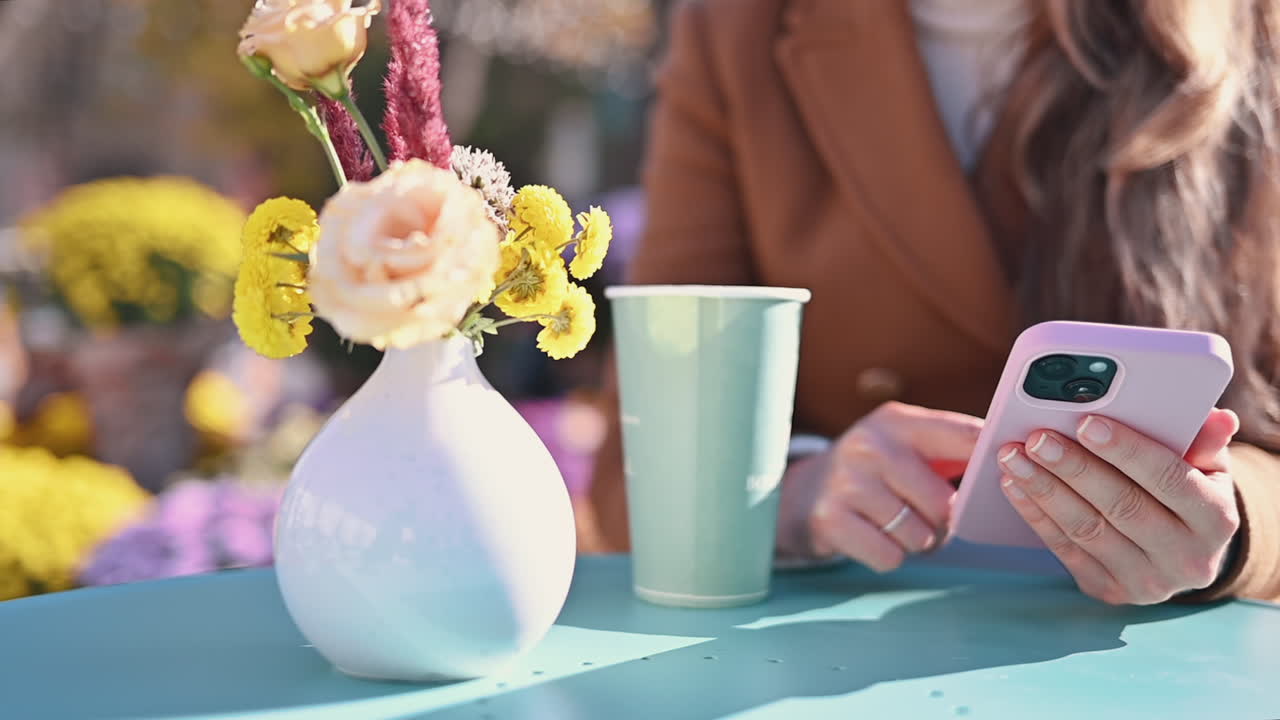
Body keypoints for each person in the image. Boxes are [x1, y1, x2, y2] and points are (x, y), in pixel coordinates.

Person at [581, 0, 1280, 605]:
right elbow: (639, 478)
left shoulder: (1251, 32)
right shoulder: (739, 34)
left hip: (1154, 656)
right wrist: (795, 495)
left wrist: (1231, 528)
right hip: (841, 650)